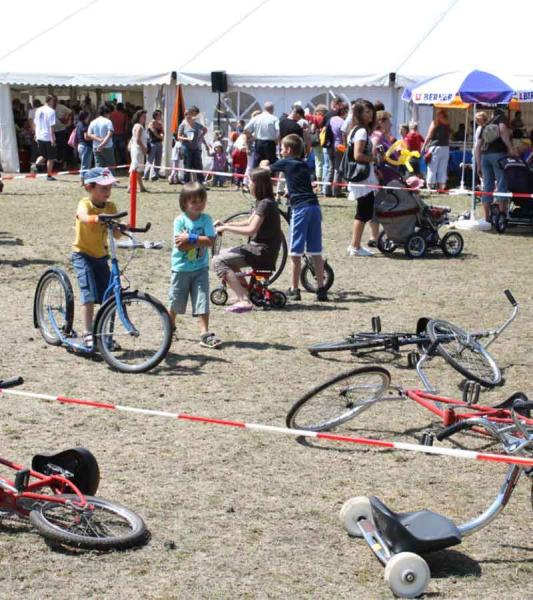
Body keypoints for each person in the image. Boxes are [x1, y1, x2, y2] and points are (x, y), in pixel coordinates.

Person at [261, 134, 328, 302]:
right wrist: (289, 192)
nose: (281, 151)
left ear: (289, 150)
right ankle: (321, 289)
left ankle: (294, 289)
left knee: (295, 252)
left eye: (282, 148)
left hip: (301, 209)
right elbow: (299, 183)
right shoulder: (303, 165)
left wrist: (263, 163)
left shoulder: (287, 162)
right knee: (316, 252)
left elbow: (266, 171)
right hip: (314, 207)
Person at [213, 168, 282, 313]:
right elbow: (247, 222)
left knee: (218, 261)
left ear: (258, 184)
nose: (248, 184)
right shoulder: (263, 202)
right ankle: (244, 291)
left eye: (250, 181)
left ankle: (243, 299)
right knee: (224, 254)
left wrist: (226, 229)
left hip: (262, 252)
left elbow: (251, 229)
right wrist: (225, 225)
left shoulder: (265, 204)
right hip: (259, 249)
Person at [71, 167, 125, 348]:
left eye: (109, 188)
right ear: (89, 187)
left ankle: (104, 334)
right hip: (83, 255)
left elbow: (116, 235)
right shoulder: (85, 203)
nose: (108, 192)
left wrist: (121, 228)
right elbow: (83, 217)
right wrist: (98, 218)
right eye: (103, 188)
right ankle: (87, 332)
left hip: (102, 257)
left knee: (108, 296)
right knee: (88, 294)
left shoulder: (111, 207)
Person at [168, 182, 220, 348]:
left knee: (202, 300)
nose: (199, 205)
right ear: (184, 203)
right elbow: (180, 246)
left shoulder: (207, 219)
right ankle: (170, 326)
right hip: (181, 269)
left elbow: (211, 241)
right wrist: (200, 240)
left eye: (201, 201)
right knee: (176, 301)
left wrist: (191, 238)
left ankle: (204, 333)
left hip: (200, 269)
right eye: (194, 202)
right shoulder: (180, 221)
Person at [346, 99, 379, 257]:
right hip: (362, 177)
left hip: (363, 176)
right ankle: (355, 246)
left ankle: (355, 245)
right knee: (364, 211)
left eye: (371, 110)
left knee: (364, 211)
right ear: (359, 113)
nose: (370, 114)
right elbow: (358, 155)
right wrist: (374, 159)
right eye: (366, 111)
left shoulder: (356, 130)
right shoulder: (361, 131)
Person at [474, 108, 516, 221]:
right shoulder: (501, 118)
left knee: (487, 186)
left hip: (485, 157)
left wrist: (478, 164)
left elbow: (477, 147)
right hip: (499, 155)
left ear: (492, 114)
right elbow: (502, 130)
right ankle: (502, 215)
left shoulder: (486, 124)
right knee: (501, 184)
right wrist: (510, 147)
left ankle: (487, 217)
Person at [421, 109, 451, 190]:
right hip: (445, 148)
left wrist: (424, 146)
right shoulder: (448, 124)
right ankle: (441, 187)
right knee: (442, 169)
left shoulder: (435, 123)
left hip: (435, 147)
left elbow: (429, 135)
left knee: (432, 168)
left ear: (439, 115)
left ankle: (430, 187)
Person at [244, 101, 279, 167]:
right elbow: (279, 130)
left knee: (257, 163)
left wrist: (252, 137)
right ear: (272, 109)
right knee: (270, 164)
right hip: (270, 144)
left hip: (258, 143)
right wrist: (277, 140)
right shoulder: (274, 118)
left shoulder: (256, 118)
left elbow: (246, 129)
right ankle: (269, 177)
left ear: (264, 109)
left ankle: (256, 176)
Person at [177, 109, 208, 183]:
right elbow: (178, 136)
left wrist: (200, 137)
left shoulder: (197, 124)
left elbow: (205, 130)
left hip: (196, 148)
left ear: (192, 115)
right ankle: (186, 182)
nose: (187, 116)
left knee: (198, 165)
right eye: (186, 114)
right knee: (187, 165)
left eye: (189, 114)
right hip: (186, 148)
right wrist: (186, 138)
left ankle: (201, 182)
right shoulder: (183, 125)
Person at [32, 94, 57, 181]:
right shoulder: (51, 111)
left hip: (39, 135)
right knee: (51, 157)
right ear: (51, 101)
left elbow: (35, 123)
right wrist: (53, 139)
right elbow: (51, 126)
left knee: (43, 155)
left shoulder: (38, 110)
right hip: (47, 136)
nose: (54, 103)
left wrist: (35, 134)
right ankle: (49, 175)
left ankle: (34, 165)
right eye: (54, 101)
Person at [88, 105, 115, 170]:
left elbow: (89, 134)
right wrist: (102, 144)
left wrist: (98, 139)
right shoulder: (108, 121)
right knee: (110, 166)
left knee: (98, 167)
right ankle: (110, 180)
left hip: (96, 147)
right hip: (107, 147)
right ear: (106, 113)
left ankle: (100, 180)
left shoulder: (93, 122)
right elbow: (110, 134)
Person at [128, 110, 148, 193]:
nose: (145, 118)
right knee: (134, 168)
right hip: (138, 150)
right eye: (143, 117)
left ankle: (141, 187)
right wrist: (144, 148)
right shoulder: (139, 127)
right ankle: (130, 187)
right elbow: (137, 139)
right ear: (139, 118)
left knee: (137, 169)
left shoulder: (136, 126)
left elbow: (133, 139)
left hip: (136, 149)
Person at [144, 110, 164, 181]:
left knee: (158, 160)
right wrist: (160, 136)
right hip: (152, 144)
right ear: (155, 115)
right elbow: (154, 132)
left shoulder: (160, 124)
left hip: (159, 143)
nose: (160, 116)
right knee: (150, 160)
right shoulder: (151, 123)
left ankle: (155, 175)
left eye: (160, 115)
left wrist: (161, 135)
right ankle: (146, 175)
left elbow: (162, 132)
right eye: (159, 115)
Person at [109, 102, 129, 167]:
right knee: (122, 150)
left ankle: (114, 163)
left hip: (113, 134)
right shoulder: (124, 115)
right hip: (121, 134)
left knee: (114, 150)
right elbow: (126, 127)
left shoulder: (111, 114)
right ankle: (122, 163)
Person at [75, 110, 93, 183]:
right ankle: (83, 180)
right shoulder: (85, 125)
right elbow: (86, 137)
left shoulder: (78, 124)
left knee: (83, 163)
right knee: (85, 164)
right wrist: (94, 137)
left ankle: (83, 180)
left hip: (80, 145)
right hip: (86, 146)